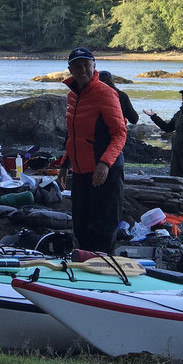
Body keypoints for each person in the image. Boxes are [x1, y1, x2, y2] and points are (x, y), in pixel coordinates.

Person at [57, 47, 127, 253]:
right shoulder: (72, 96)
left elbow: (120, 133)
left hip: (106, 171)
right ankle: (84, 267)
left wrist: (105, 163)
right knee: (81, 227)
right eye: (77, 66)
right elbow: (74, 136)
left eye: (86, 65)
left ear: (94, 65)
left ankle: (103, 267)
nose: (82, 70)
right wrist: (64, 165)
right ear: (70, 69)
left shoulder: (106, 93)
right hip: (81, 171)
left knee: (102, 230)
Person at [144, 87, 183, 218]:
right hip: (177, 152)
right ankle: (175, 205)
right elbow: (168, 128)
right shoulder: (179, 113)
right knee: (174, 179)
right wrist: (154, 117)